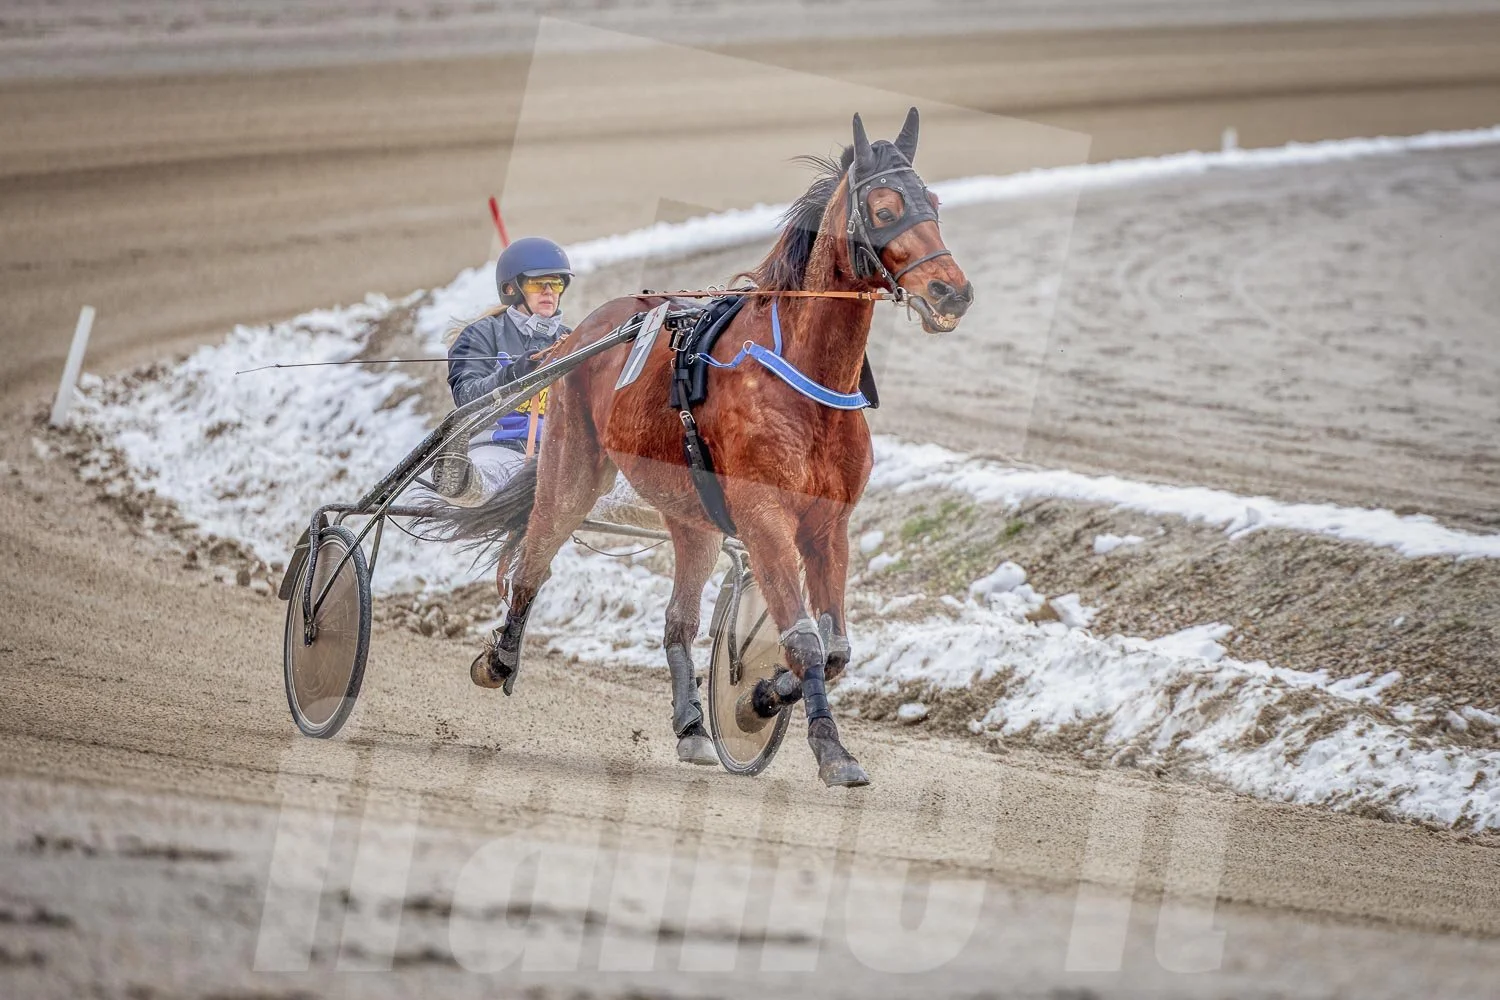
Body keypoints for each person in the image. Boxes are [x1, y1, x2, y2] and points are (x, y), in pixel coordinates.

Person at [446, 236, 573, 494]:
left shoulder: (574, 339)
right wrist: (512, 374)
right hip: (494, 449)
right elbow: (465, 395)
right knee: (493, 483)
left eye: (556, 283)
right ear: (512, 289)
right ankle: (458, 483)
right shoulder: (481, 334)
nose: (549, 291)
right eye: (538, 283)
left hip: (555, 454)